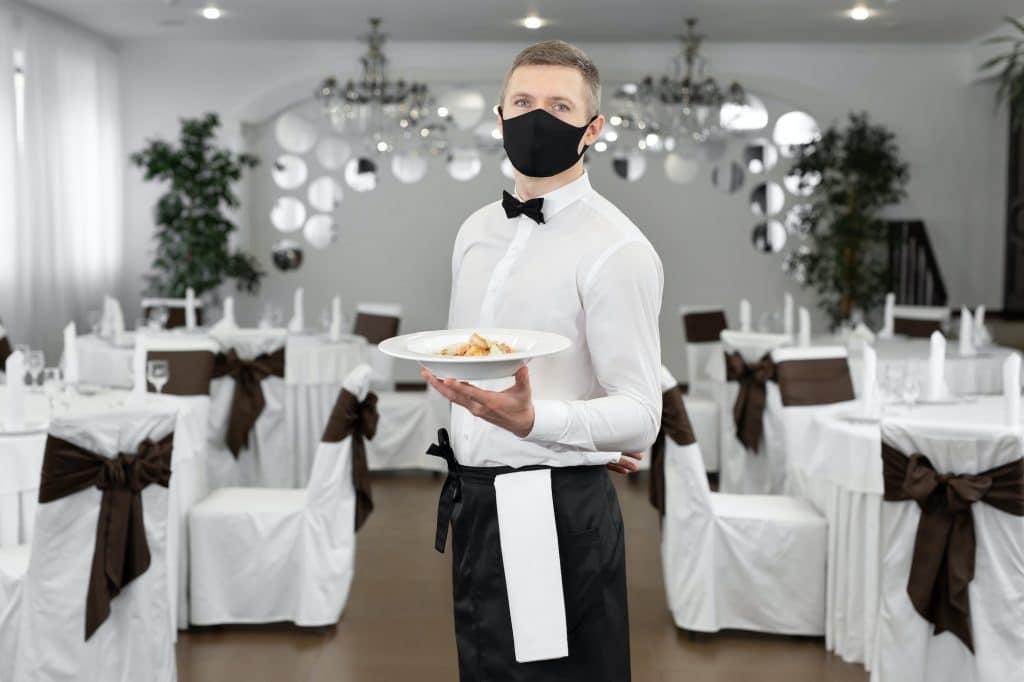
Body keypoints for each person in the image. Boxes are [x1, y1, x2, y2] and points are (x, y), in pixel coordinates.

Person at [423, 39, 664, 682]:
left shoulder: (619, 250)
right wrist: (582, 433)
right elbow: (468, 362)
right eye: (524, 102)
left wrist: (541, 426)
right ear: (499, 119)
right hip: (473, 501)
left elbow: (642, 415)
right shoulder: (474, 231)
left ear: (593, 130)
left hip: (551, 509)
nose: (539, 118)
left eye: (560, 106)